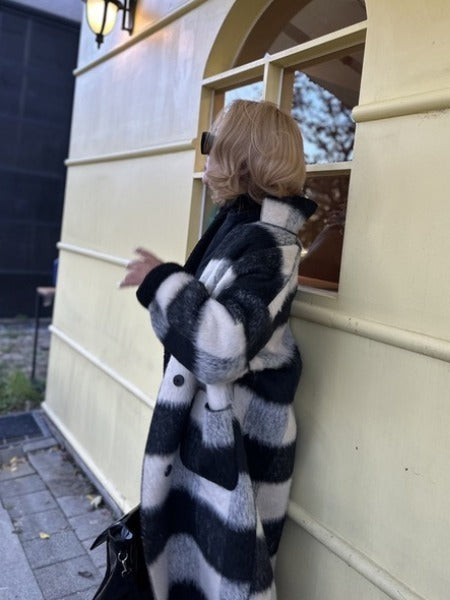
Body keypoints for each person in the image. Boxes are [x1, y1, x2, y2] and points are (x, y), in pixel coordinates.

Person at [120, 99, 316, 600]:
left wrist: (162, 282)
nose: (203, 155)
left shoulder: (271, 245)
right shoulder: (236, 226)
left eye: (211, 143)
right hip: (211, 440)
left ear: (240, 157)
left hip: (237, 449)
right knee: (192, 570)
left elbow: (222, 349)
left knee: (229, 580)